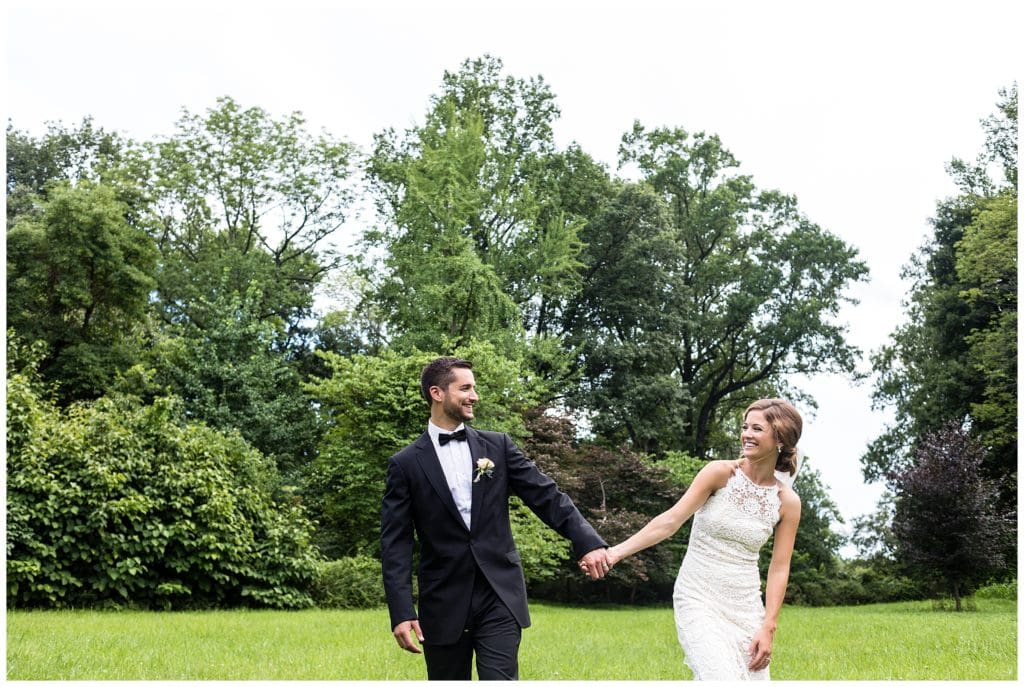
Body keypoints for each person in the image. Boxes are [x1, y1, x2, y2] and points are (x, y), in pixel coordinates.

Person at [381, 356, 611, 681]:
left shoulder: (498, 446)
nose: (474, 396)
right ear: (437, 393)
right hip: (443, 600)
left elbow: (546, 495)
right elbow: (396, 543)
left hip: (499, 594)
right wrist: (402, 611)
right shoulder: (405, 464)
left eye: (474, 388)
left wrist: (587, 541)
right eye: (465, 388)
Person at [587, 398, 802, 680]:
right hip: (698, 596)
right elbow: (670, 521)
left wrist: (768, 625)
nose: (746, 435)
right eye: (745, 427)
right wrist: (615, 553)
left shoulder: (788, 502)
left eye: (757, 429)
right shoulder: (720, 473)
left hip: (746, 608)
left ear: (780, 439)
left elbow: (780, 567)